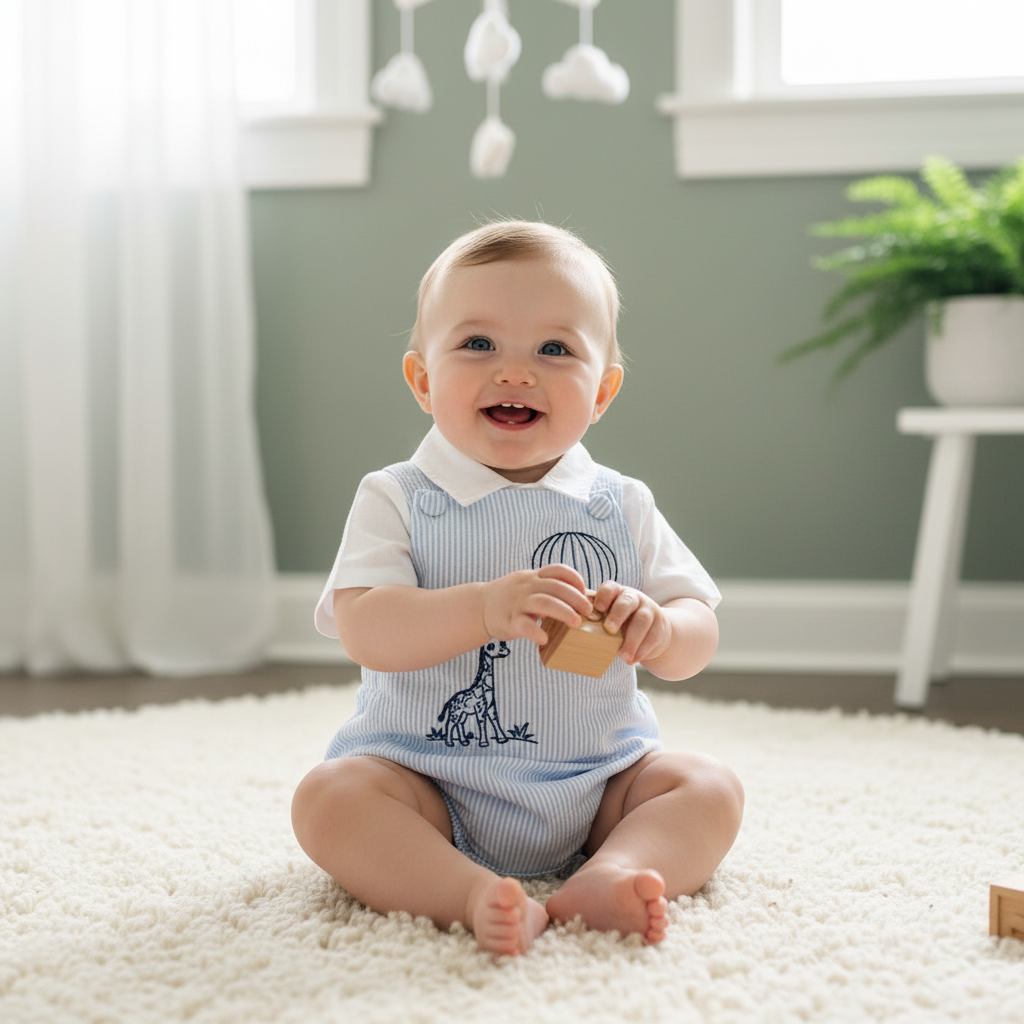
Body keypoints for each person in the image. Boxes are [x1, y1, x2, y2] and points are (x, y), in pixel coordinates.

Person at [291, 221, 744, 957]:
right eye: (478, 345)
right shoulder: (400, 497)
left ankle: (615, 869)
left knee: (710, 786)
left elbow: (698, 626)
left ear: (601, 392)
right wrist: (482, 608)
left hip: (601, 780)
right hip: (424, 780)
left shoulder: (618, 502)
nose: (516, 372)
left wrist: (661, 628)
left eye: (554, 350)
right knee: (328, 800)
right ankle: (462, 890)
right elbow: (365, 626)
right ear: (422, 380)